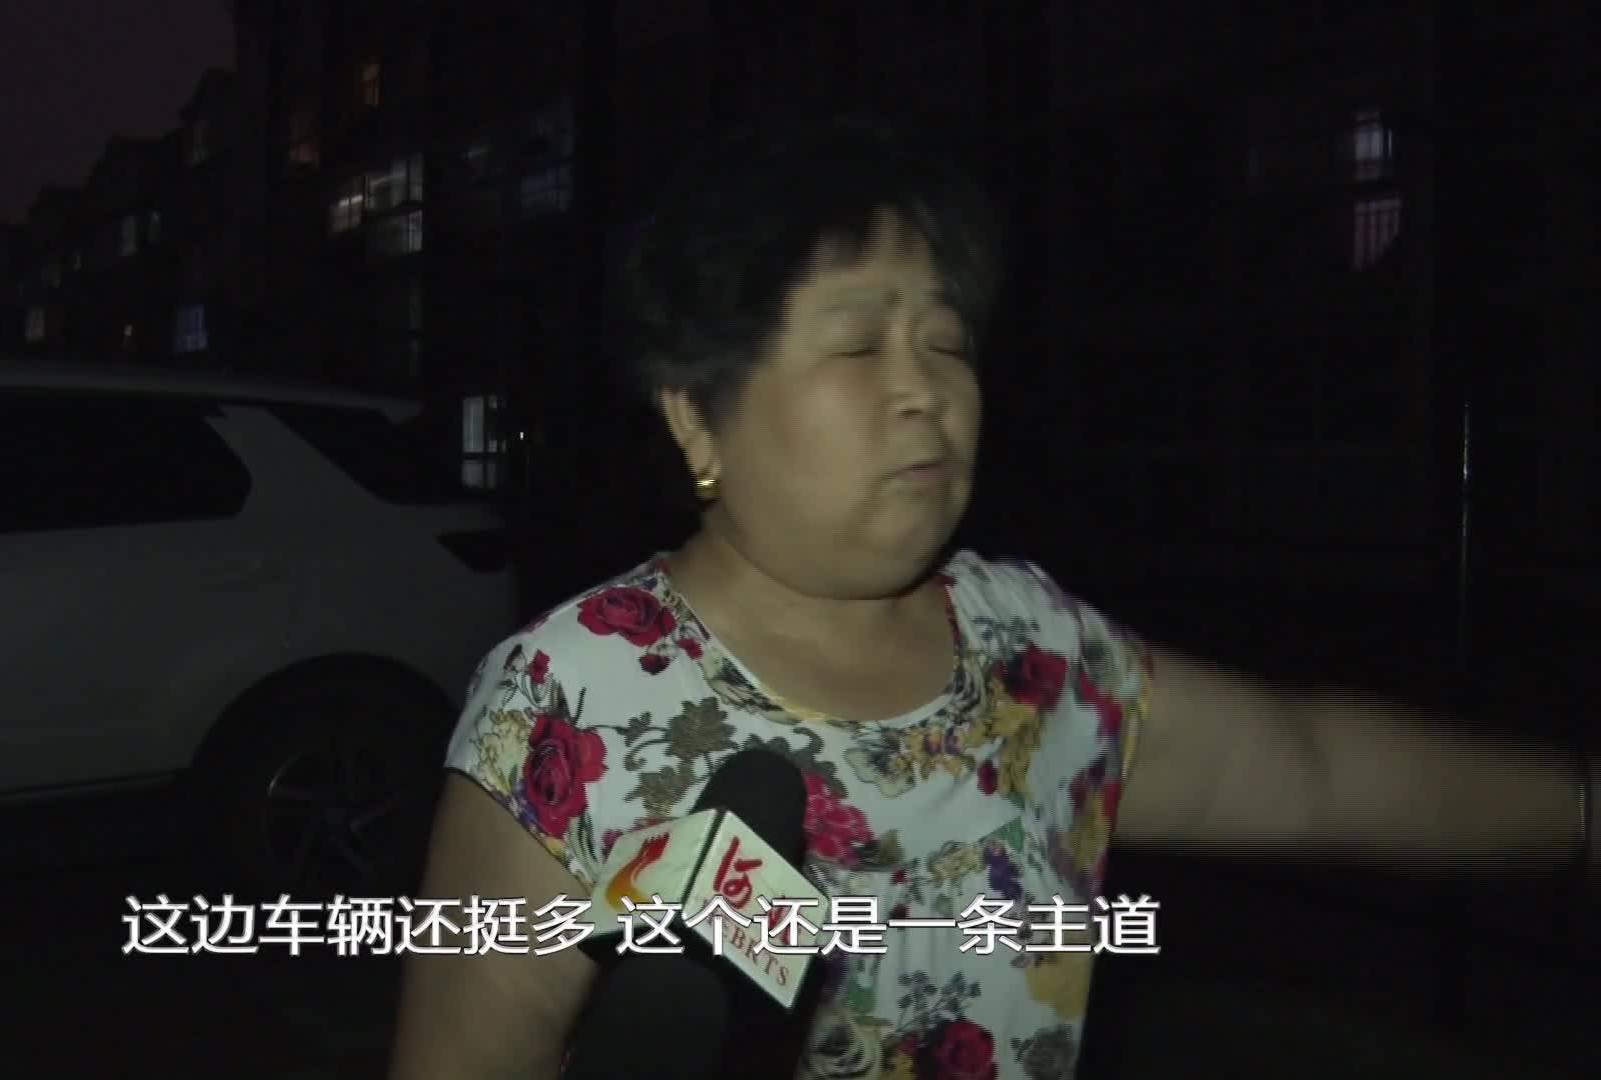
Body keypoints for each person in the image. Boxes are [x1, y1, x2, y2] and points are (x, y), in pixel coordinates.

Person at [386, 115, 1592, 1080]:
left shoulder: (1034, 656)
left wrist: (1583, 810)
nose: (926, 390)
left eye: (948, 341)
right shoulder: (570, 706)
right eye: (858, 344)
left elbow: (1308, 766)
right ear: (698, 414)